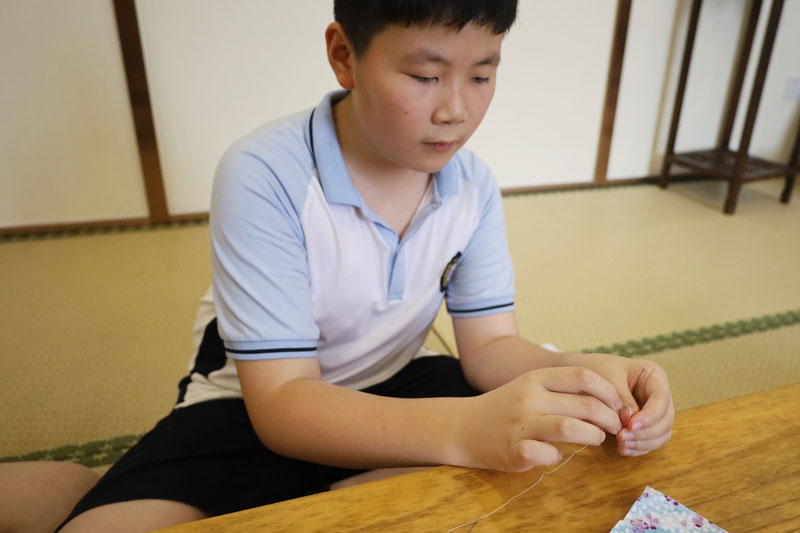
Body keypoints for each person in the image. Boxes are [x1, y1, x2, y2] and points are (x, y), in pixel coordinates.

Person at [55, 1, 674, 530]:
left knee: (545, 446)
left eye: (482, 75)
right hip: (252, 405)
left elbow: (491, 348)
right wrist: (465, 431)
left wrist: (585, 372)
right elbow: (282, 403)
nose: (456, 109)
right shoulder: (265, 173)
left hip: (398, 380)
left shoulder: (472, 186)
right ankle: (73, 487)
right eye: (425, 75)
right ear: (344, 55)